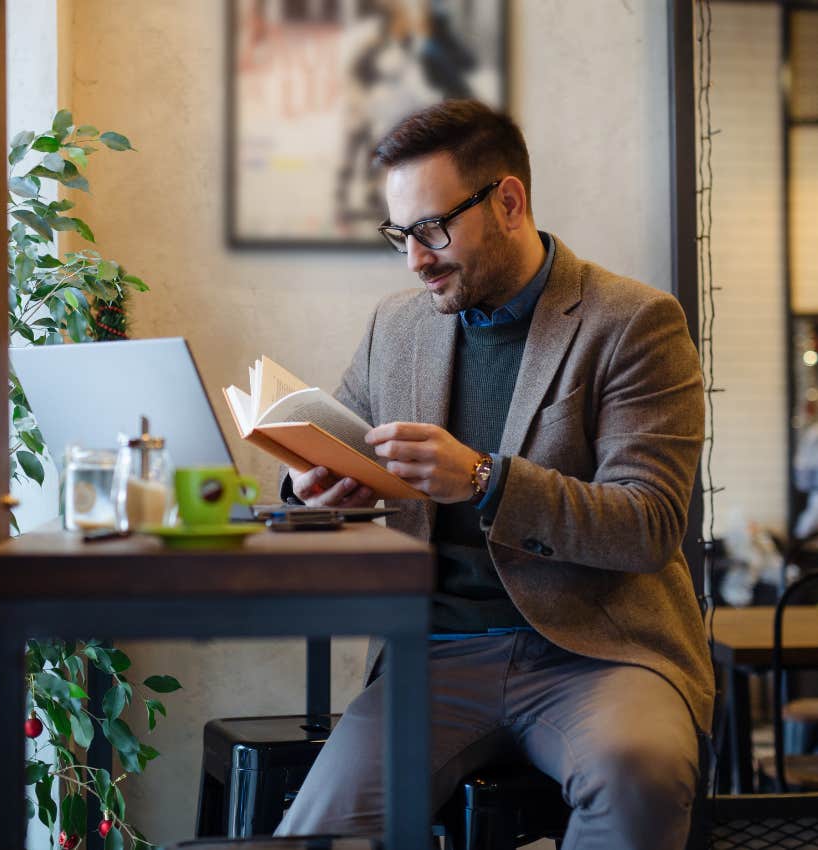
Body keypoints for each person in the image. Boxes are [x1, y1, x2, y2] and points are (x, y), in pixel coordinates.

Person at [274, 99, 714, 850]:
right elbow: (336, 436)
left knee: (641, 775)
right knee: (320, 831)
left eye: (431, 229)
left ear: (508, 202)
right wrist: (309, 485)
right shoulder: (397, 326)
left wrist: (485, 479)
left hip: (599, 652)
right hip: (436, 653)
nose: (415, 258)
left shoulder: (635, 322)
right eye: (400, 235)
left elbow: (649, 526)